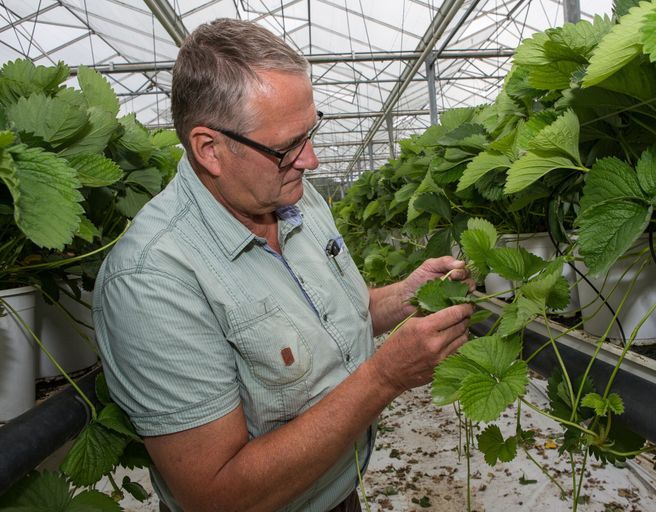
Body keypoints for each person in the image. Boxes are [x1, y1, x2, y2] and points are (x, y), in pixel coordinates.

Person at [92, 18, 474, 512]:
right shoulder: (152, 281)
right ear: (210, 149)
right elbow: (216, 494)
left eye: (311, 131)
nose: (311, 160)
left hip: (339, 487)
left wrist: (407, 293)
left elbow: (334, 312)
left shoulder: (297, 198)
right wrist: (386, 377)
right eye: (287, 146)